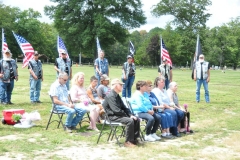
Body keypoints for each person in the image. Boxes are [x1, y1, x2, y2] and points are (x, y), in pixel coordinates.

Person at [103, 78, 140, 147]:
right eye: (121, 85)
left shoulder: (117, 96)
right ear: (116, 86)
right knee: (130, 121)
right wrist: (128, 116)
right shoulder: (111, 96)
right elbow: (116, 110)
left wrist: (130, 114)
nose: (122, 87)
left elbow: (124, 107)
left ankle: (134, 139)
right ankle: (128, 141)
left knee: (136, 119)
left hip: (118, 115)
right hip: (111, 116)